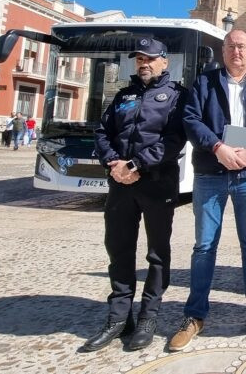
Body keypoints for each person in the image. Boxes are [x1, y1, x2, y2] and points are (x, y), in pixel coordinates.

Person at [168, 29, 246, 351]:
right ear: (224, 52)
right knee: (204, 246)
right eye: (231, 46)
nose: (237, 51)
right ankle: (194, 316)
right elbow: (191, 119)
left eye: (242, 46)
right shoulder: (206, 82)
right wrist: (217, 146)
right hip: (211, 173)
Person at [80, 38, 188, 353]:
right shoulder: (123, 95)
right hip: (120, 184)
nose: (144, 63)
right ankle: (118, 318)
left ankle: (147, 318)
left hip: (157, 183)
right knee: (119, 249)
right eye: (140, 58)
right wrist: (113, 162)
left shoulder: (177, 96)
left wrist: (136, 163)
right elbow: (102, 132)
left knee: (157, 254)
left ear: (164, 62)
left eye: (150, 58)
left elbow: (174, 139)